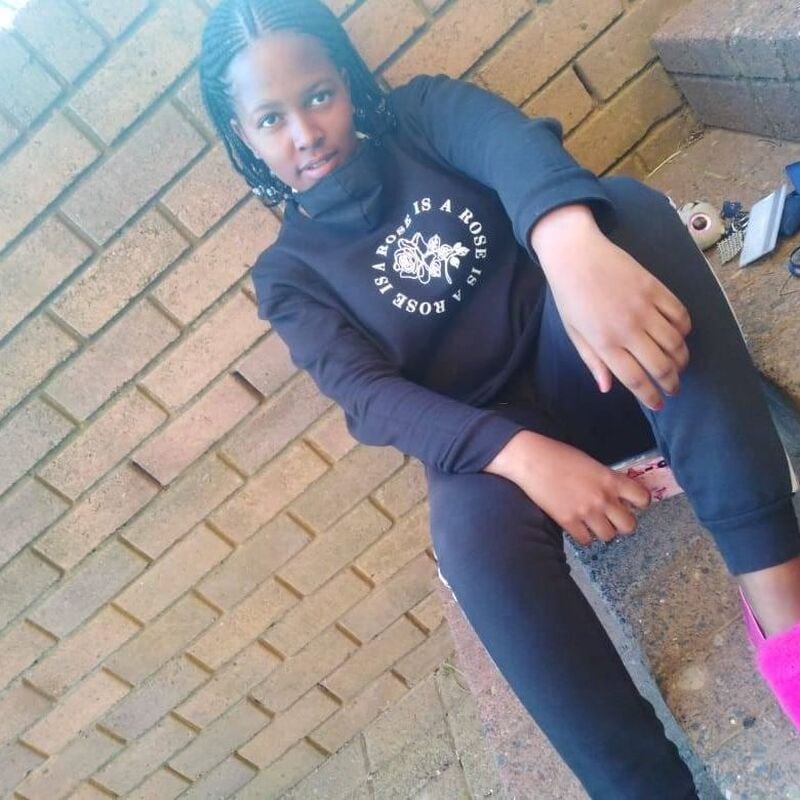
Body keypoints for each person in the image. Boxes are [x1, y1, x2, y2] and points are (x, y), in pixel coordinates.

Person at [199, 1, 800, 796]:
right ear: (243, 136)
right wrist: (519, 456)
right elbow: (369, 397)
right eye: (271, 119)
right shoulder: (290, 276)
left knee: (628, 208)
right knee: (467, 542)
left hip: (588, 362)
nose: (305, 133)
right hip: (492, 443)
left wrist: (567, 244)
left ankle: (784, 616)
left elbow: (514, 147)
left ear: (345, 81)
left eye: (317, 96)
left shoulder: (421, 116)